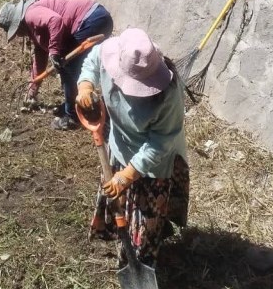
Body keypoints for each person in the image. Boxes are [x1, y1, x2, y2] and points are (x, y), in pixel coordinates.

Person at [76, 27, 189, 267]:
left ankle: (142, 262)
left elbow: (161, 143)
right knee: (119, 201)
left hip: (154, 163)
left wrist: (129, 173)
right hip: (119, 146)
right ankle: (124, 240)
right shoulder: (112, 54)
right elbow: (92, 61)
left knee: (147, 219)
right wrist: (85, 85)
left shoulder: (168, 95)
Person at [0, 0, 114, 130]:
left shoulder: (30, 14)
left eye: (16, 31)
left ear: (18, 23)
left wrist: (54, 51)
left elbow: (55, 20)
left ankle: (72, 117)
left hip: (91, 20)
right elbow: (40, 60)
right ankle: (74, 104)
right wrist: (32, 90)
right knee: (68, 64)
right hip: (96, 19)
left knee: (68, 67)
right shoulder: (34, 29)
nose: (18, 35)